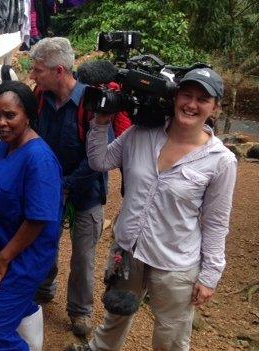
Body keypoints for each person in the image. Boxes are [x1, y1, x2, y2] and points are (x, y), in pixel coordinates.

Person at [69, 68, 237, 351]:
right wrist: (101, 121)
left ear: (215, 108)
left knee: (170, 335)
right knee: (116, 315)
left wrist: (210, 275)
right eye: (186, 94)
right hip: (129, 251)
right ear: (175, 97)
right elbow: (100, 161)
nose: (191, 104)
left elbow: (217, 222)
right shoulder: (141, 134)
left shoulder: (221, 161)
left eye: (202, 99)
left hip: (175, 263)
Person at [28, 37, 113, 336]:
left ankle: (80, 312)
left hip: (86, 192)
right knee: (45, 243)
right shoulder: (41, 97)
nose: (33, 76)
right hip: (50, 190)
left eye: (38, 70)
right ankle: (44, 287)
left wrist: (65, 185)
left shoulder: (93, 103)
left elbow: (100, 157)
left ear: (59, 70)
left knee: (83, 256)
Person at [0, 81, 63, 350]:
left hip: (22, 257)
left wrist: (2, 259)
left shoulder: (39, 158)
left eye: (10, 115)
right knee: (21, 305)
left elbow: (38, 219)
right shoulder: (3, 147)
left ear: (28, 116)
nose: (1, 122)